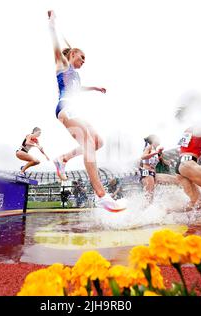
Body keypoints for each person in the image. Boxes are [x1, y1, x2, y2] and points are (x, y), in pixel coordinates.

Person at [47, 10, 125, 212]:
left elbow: (77, 88)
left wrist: (95, 88)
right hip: (65, 107)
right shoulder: (62, 65)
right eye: (82, 57)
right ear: (72, 54)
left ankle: (63, 158)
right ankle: (101, 196)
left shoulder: (75, 75)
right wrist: (53, 24)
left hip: (74, 108)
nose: (83, 61)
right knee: (88, 142)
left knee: (98, 141)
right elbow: (56, 47)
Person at [140, 135, 181, 204]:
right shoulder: (149, 147)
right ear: (153, 140)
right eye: (157, 138)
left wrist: (167, 162)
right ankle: (141, 213)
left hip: (154, 174)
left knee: (175, 181)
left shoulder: (156, 150)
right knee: (149, 199)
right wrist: (155, 153)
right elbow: (143, 157)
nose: (159, 140)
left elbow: (162, 161)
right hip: (147, 173)